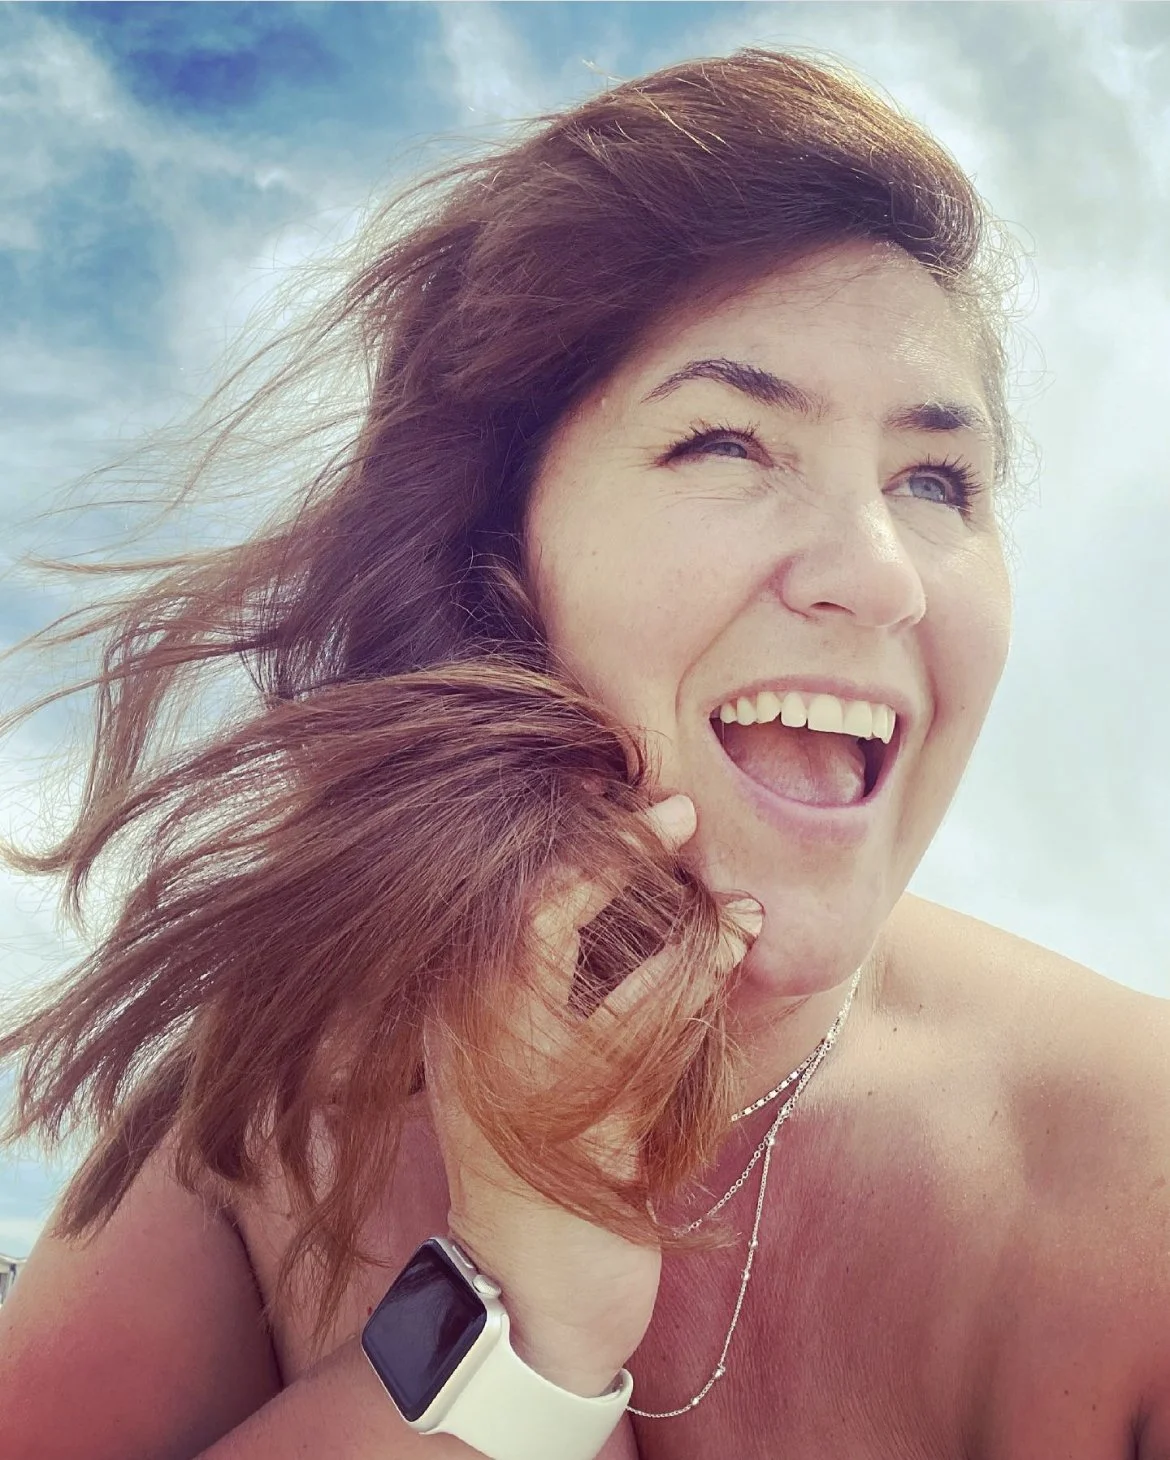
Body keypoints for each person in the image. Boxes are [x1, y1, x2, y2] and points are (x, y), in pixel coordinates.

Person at [1, 45, 1168, 1460]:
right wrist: (517, 1331)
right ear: (495, 557)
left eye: (934, 480)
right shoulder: (260, 1114)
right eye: (729, 440)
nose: (878, 574)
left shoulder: (1136, 1191)